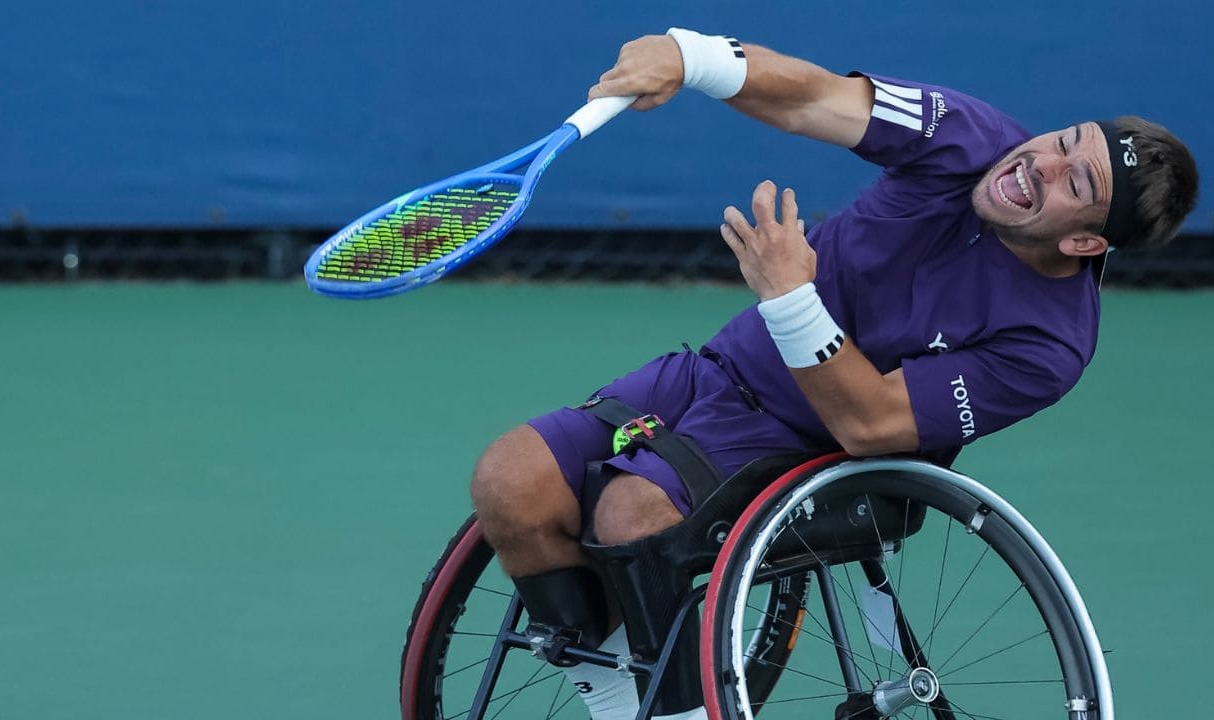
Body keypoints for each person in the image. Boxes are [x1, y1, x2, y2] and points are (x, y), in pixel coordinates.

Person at [468, 28, 1198, 720]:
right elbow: (813, 98)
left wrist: (792, 301)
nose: (1040, 164)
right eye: (1061, 141)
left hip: (822, 451)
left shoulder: (1048, 345)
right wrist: (689, 56)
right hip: (722, 372)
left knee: (631, 515)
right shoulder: (971, 139)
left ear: (1084, 239)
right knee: (511, 481)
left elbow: (870, 423)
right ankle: (616, 696)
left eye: (1078, 179)